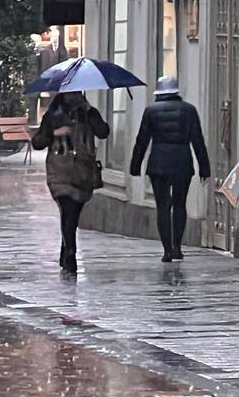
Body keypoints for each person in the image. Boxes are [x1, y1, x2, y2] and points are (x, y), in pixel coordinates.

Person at [129, 76, 210, 262]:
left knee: (163, 207)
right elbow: (198, 140)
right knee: (180, 205)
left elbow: (142, 140)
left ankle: (166, 250)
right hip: (182, 162)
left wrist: (135, 165)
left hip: (158, 163)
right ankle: (177, 247)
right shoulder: (189, 110)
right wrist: (204, 167)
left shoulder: (151, 111)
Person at [31, 91, 109, 274]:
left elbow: (103, 132)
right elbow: (38, 142)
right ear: (63, 95)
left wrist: (91, 113)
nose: (74, 97)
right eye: (70, 93)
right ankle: (71, 253)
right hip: (59, 170)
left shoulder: (89, 113)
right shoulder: (53, 115)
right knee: (68, 210)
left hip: (82, 171)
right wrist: (54, 132)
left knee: (72, 213)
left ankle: (65, 250)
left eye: (77, 93)